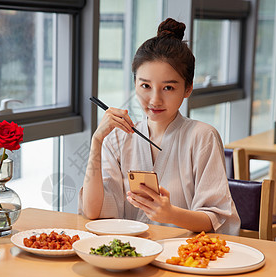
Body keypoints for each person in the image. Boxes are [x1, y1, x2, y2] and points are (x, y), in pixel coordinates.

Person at [79, 18, 240, 235]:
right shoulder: (117, 138)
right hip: (129, 254)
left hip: (181, 257)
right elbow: (92, 211)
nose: (154, 100)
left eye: (168, 88)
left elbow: (216, 218)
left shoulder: (203, 137)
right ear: (135, 83)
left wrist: (171, 214)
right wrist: (97, 141)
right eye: (145, 85)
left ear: (188, 88)